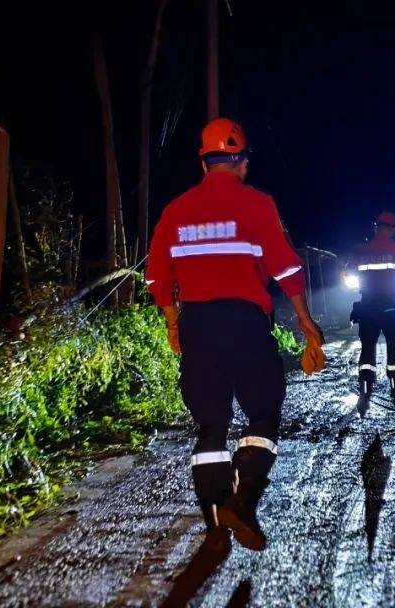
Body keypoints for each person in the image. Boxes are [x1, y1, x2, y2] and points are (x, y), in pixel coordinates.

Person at [146, 117, 325, 551]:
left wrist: (173, 324)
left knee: (210, 424)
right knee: (263, 413)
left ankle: (213, 519)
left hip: (198, 325)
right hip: (245, 323)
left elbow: (156, 277)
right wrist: (304, 321)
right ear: (241, 161)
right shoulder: (258, 204)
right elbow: (285, 267)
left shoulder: (176, 211)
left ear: (203, 162)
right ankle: (242, 503)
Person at [345, 210, 395, 400]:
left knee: (367, 345)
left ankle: (365, 385)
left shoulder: (361, 250)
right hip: (390, 305)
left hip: (366, 305)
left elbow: (348, 272)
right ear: (392, 229)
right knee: (392, 343)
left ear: (376, 227)